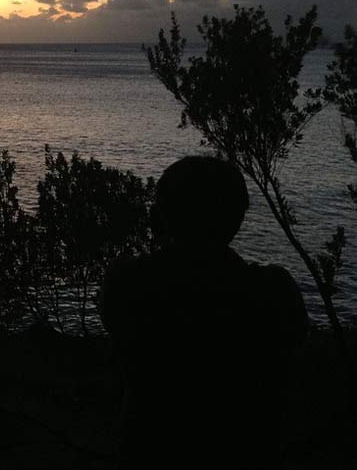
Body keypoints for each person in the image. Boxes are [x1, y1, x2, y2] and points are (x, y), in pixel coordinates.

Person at [101, 156, 308, 470]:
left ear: (161, 216)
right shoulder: (272, 293)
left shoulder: (129, 284)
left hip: (149, 450)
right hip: (243, 452)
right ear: (236, 219)